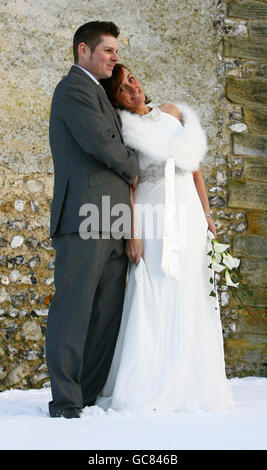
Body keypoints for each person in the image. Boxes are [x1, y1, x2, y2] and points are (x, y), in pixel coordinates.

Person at [98, 64, 234, 411]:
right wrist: (133, 232)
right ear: (116, 100)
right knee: (155, 286)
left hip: (188, 212)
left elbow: (195, 170)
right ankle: (150, 383)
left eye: (132, 78)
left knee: (191, 287)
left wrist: (206, 216)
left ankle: (189, 379)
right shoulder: (124, 131)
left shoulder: (173, 113)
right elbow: (130, 185)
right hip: (153, 214)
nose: (132, 88)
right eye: (122, 89)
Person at [46, 23, 139, 419]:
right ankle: (66, 401)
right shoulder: (73, 89)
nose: (115, 57)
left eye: (116, 50)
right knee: (74, 309)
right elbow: (103, 143)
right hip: (84, 217)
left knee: (106, 315)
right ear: (83, 50)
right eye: (108, 50)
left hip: (114, 219)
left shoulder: (99, 91)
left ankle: (87, 395)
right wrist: (139, 168)